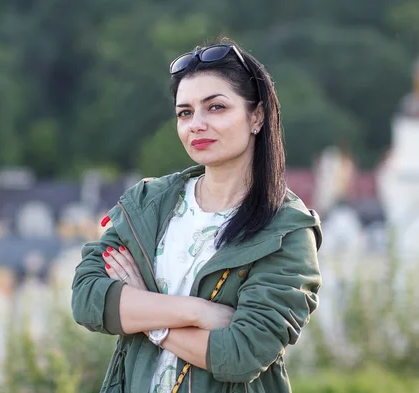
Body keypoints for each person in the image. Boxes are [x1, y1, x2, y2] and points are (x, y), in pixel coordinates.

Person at [71, 38, 322, 393]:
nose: (196, 125)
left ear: (258, 116)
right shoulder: (149, 203)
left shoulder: (286, 229)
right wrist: (195, 312)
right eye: (185, 112)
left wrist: (148, 315)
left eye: (216, 107)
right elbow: (87, 297)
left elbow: (241, 353)